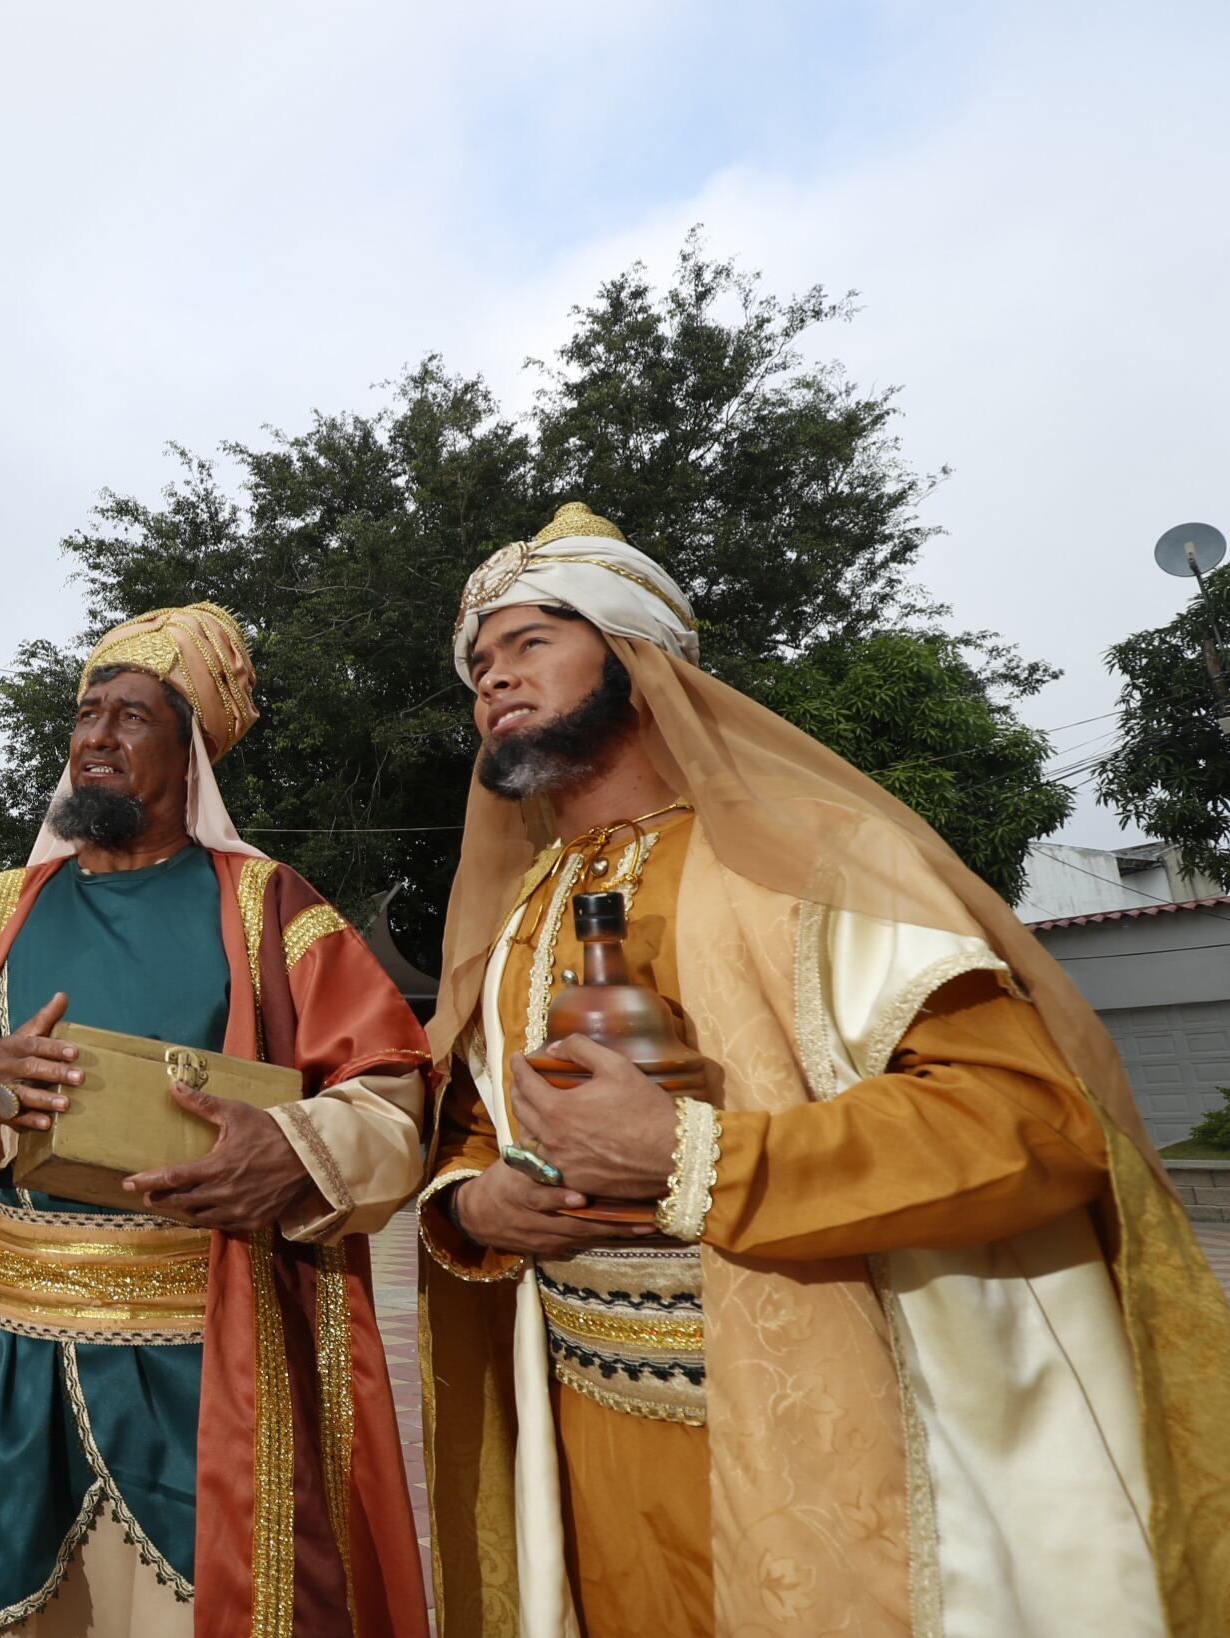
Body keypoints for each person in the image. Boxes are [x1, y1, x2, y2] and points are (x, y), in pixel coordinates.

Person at [417, 502, 1230, 1636]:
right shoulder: (518, 914)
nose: (490, 681)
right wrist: (479, 1203)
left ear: (636, 656)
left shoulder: (820, 858)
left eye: (528, 643)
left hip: (828, 1420)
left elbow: (1031, 1125)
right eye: (477, 665)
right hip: (581, 1430)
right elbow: (466, 1135)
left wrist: (692, 1154)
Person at [0, 603, 432, 1636]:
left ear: (191, 752)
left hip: (208, 1356)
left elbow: (391, 1102)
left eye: (130, 716)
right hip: (10, 1358)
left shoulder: (270, 909)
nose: (94, 738)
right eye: (85, 714)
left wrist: (292, 1148)